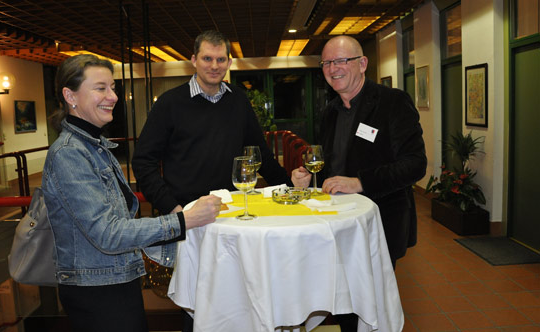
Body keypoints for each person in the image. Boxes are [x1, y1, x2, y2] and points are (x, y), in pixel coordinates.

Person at [42, 54, 222, 332]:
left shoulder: (95, 146)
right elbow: (108, 234)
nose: (113, 96)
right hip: (97, 292)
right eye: (100, 88)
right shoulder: (69, 154)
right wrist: (185, 221)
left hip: (115, 282)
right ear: (70, 96)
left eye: (112, 87)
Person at [132, 30, 291, 332]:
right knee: (195, 300)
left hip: (230, 220)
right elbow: (143, 161)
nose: (214, 65)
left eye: (220, 59)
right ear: (193, 60)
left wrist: (292, 188)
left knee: (236, 294)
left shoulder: (239, 101)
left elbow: (261, 156)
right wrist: (174, 209)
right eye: (207, 58)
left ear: (229, 61)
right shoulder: (170, 103)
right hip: (189, 221)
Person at [292, 35, 427, 331]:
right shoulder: (329, 112)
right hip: (337, 225)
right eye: (327, 62)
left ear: (363, 63)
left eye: (342, 60)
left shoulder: (391, 103)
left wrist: (360, 183)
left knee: (371, 305)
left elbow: (415, 165)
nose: (333, 68)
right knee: (343, 304)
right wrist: (309, 176)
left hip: (379, 224)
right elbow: (333, 165)